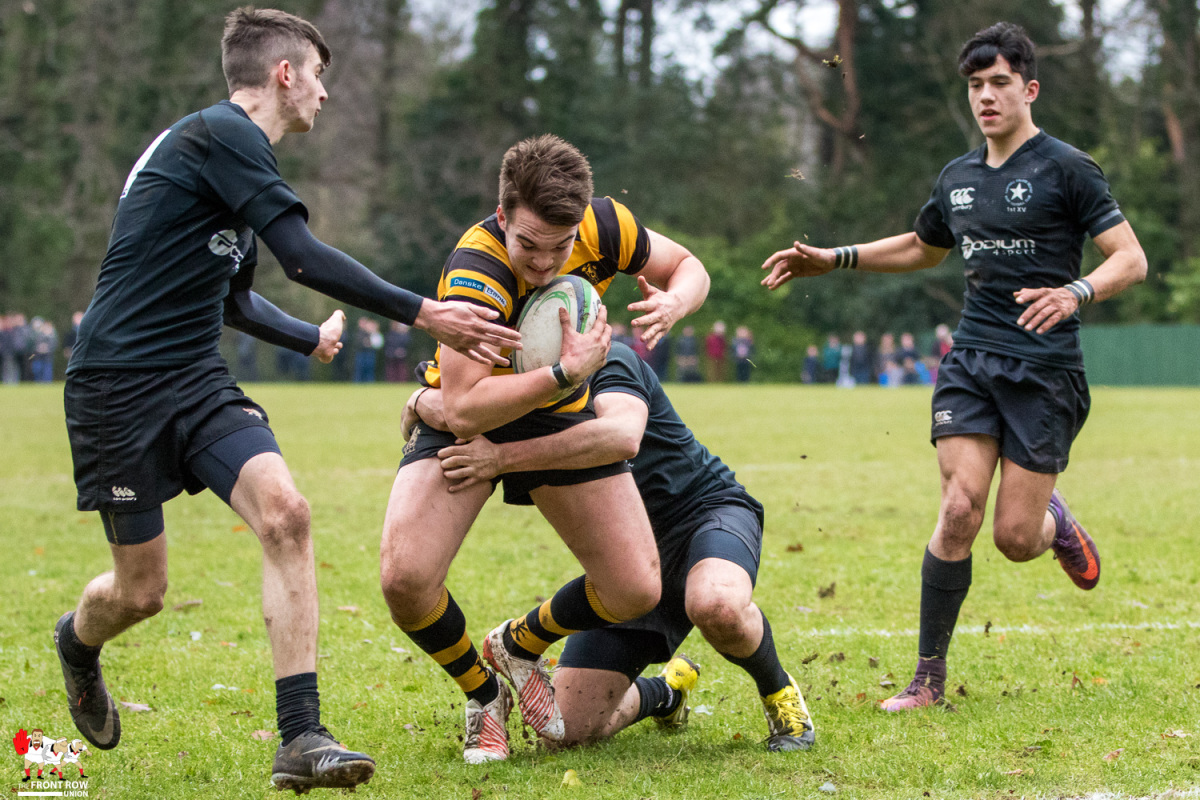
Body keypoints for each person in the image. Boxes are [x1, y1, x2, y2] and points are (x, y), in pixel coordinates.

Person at [55, 8, 519, 794]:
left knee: (288, 513)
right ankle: (77, 643)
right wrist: (426, 311)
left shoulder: (227, 163)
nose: (325, 95)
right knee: (142, 592)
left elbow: (234, 299)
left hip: (195, 380)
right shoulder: (222, 134)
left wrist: (309, 341)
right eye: (319, 75)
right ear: (284, 74)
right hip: (118, 385)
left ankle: (300, 736)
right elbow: (300, 258)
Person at [761, 22, 1146, 711]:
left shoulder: (1069, 169)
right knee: (960, 506)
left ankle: (1054, 522)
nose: (986, 97)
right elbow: (922, 246)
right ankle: (927, 680)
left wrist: (1075, 291)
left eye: (1000, 83)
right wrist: (835, 257)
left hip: (1045, 371)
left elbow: (1131, 258)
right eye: (976, 86)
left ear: (1029, 89)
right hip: (971, 359)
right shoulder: (959, 177)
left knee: (1013, 538)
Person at [380, 134, 709, 765]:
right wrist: (564, 373)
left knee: (636, 589)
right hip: (473, 414)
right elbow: (467, 406)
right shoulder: (475, 271)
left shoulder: (606, 224)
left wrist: (674, 301)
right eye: (528, 243)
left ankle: (517, 643)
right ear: (503, 215)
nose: (543, 263)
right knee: (405, 580)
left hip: (552, 417)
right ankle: (484, 696)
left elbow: (689, 265)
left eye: (560, 247)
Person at [425, 342, 815, 752]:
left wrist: (501, 458)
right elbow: (452, 402)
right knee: (566, 732)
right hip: (628, 559)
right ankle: (666, 693)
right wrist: (418, 399)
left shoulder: (609, 359)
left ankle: (779, 695)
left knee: (717, 604)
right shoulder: (514, 384)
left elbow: (622, 436)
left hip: (703, 514)